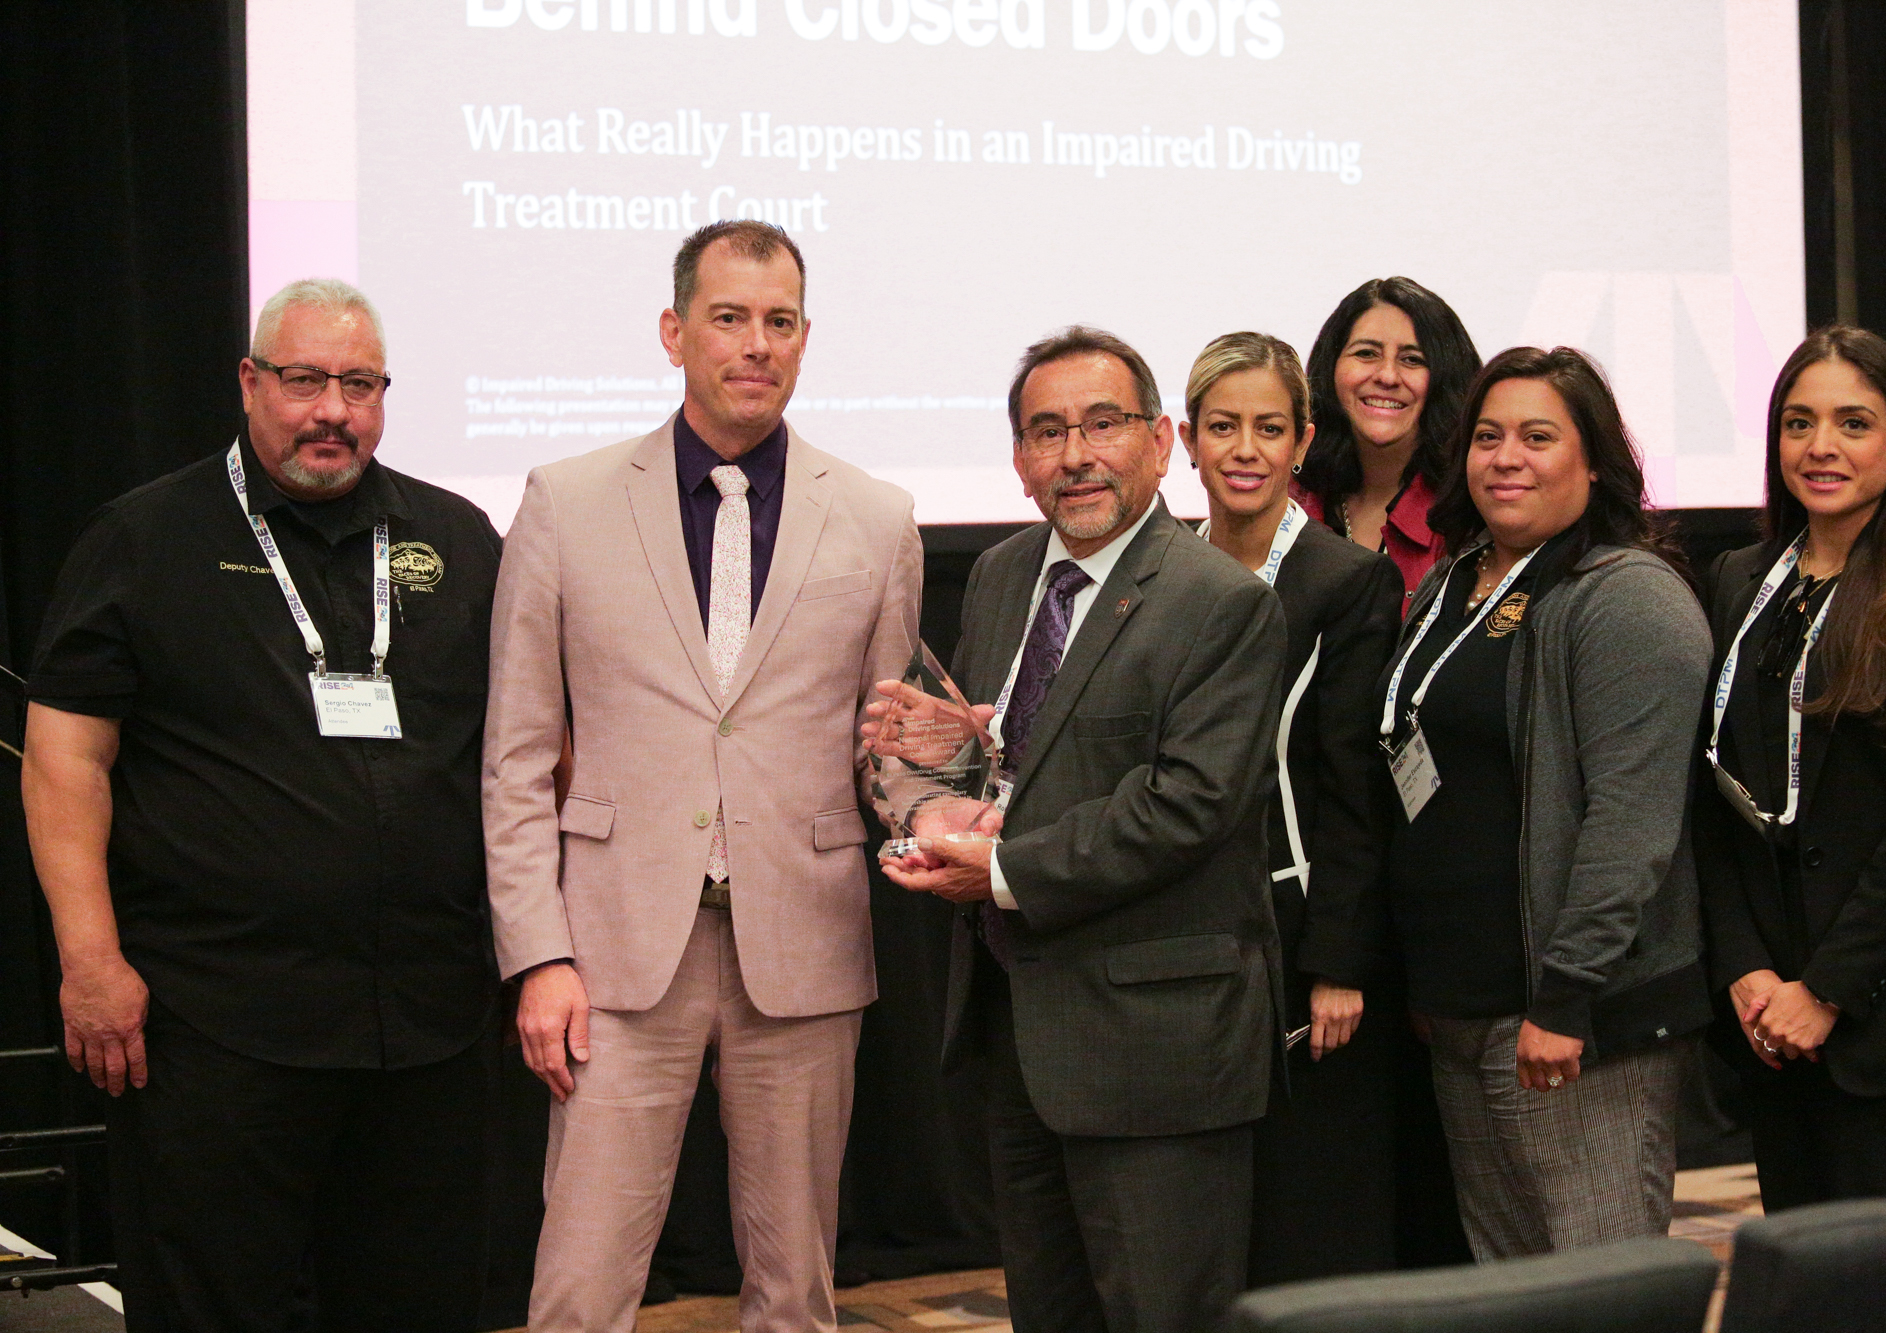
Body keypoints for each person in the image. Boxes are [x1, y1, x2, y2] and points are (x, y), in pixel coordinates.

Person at [22, 278, 501, 1331]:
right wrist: (90, 960)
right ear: (250, 383)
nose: (332, 409)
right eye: (304, 380)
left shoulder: (459, 539)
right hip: (217, 1028)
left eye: (359, 384)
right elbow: (65, 757)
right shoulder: (146, 538)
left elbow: (524, 756)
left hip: (423, 1027)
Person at [483, 220, 922, 1333]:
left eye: (778, 322)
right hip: (614, 951)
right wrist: (537, 952)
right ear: (675, 331)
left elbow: (889, 754)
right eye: (728, 317)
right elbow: (517, 755)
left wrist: (951, 779)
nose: (754, 345)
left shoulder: (876, 520)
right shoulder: (566, 501)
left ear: (806, 339)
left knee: (795, 1293)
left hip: (806, 944)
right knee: (581, 1288)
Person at [878, 326, 1287, 1332]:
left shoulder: (1220, 602)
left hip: (1156, 1045)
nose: (1075, 455)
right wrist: (936, 778)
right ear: (1017, 461)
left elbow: (1187, 801)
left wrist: (1003, 868)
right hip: (1019, 1028)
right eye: (1047, 431)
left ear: (1158, 440)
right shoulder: (1004, 574)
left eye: (1102, 425)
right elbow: (1009, 756)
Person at [1382, 346, 1711, 1260]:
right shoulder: (1456, 581)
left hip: (1573, 1020)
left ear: (1594, 460)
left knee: (1597, 1284)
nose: (1505, 457)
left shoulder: (1626, 598)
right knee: (1512, 1286)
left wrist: (1567, 997)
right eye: (1487, 436)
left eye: (1537, 436)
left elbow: (1632, 824)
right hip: (1462, 1009)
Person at [1696, 326, 1886, 1212]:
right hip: (1766, 1015)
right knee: (1801, 1280)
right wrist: (1745, 969)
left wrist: (1828, 988)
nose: (1820, 445)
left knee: (1876, 1288)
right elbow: (1712, 792)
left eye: (1853, 423)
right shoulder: (1740, 580)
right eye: (1799, 422)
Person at [1178, 331, 1403, 1281]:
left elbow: (1354, 788)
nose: (1245, 449)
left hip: (1296, 937)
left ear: (1304, 440)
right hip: (1180, 933)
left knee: (1307, 1219)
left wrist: (1339, 962)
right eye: (1223, 426)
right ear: (1185, 439)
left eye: (1269, 427)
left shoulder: (1347, 580)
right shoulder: (1162, 570)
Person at [1298, 276, 1480, 610]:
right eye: (1366, 353)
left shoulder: (1472, 514)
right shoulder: (1289, 501)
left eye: (1412, 359)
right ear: (1331, 368)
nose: (1387, 376)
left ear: (1445, 379)